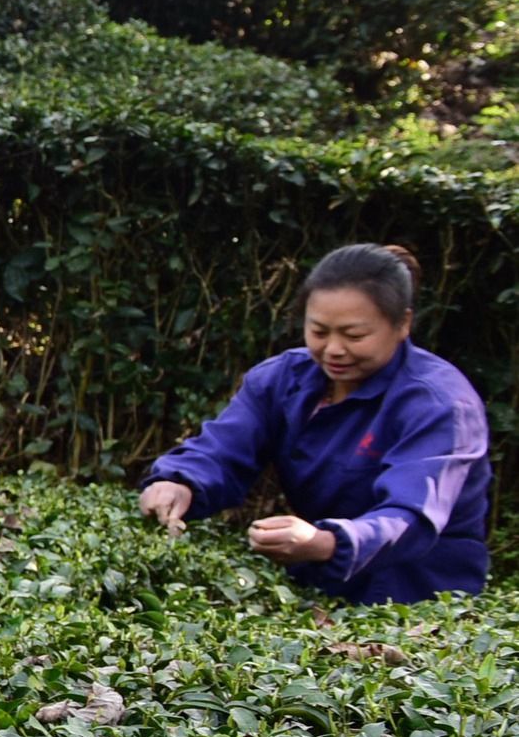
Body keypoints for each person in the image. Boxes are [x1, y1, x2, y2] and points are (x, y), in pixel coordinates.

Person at [137, 242, 489, 604]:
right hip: (318, 588)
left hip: (419, 597)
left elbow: (410, 517)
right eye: (319, 331)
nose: (333, 349)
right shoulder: (283, 379)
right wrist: (179, 482)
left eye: (354, 335)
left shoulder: (440, 403)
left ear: (403, 325)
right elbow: (225, 448)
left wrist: (326, 543)